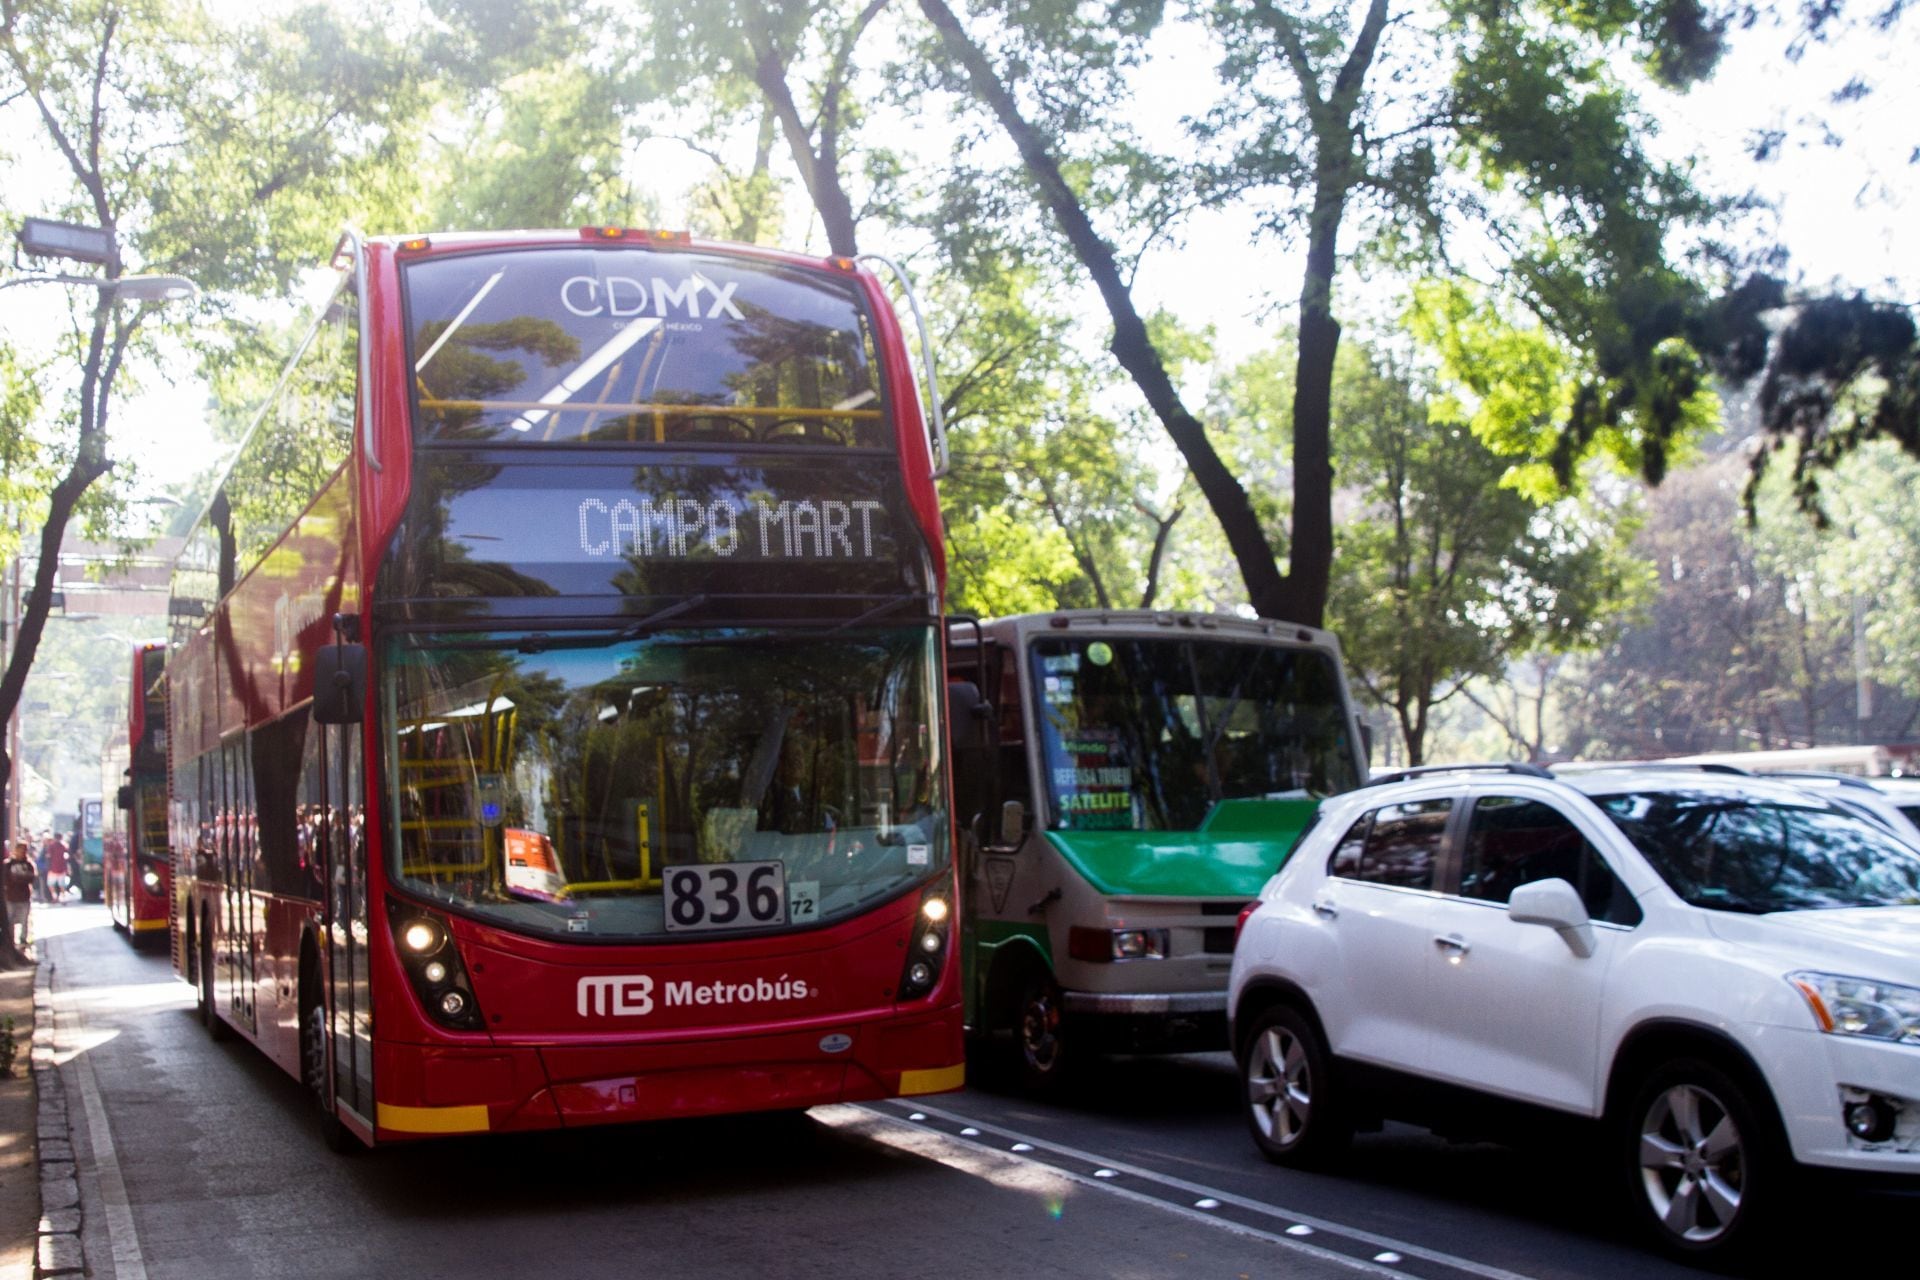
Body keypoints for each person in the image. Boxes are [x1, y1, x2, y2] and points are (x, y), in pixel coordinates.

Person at [5, 838, 37, 952]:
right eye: (20, 850)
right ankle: (11, 941)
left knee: (24, 921)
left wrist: (19, 879)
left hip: (24, 896)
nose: (22, 852)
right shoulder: (8, 864)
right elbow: (6, 879)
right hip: (11, 896)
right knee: (10, 921)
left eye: (24, 850)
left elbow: (32, 878)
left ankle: (23, 941)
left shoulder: (29, 864)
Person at [44, 832, 70, 904]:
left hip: (53, 868)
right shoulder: (64, 846)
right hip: (62, 868)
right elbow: (67, 856)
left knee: (50, 884)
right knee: (62, 884)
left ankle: (54, 896)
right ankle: (63, 898)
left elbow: (48, 856)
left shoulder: (51, 846)